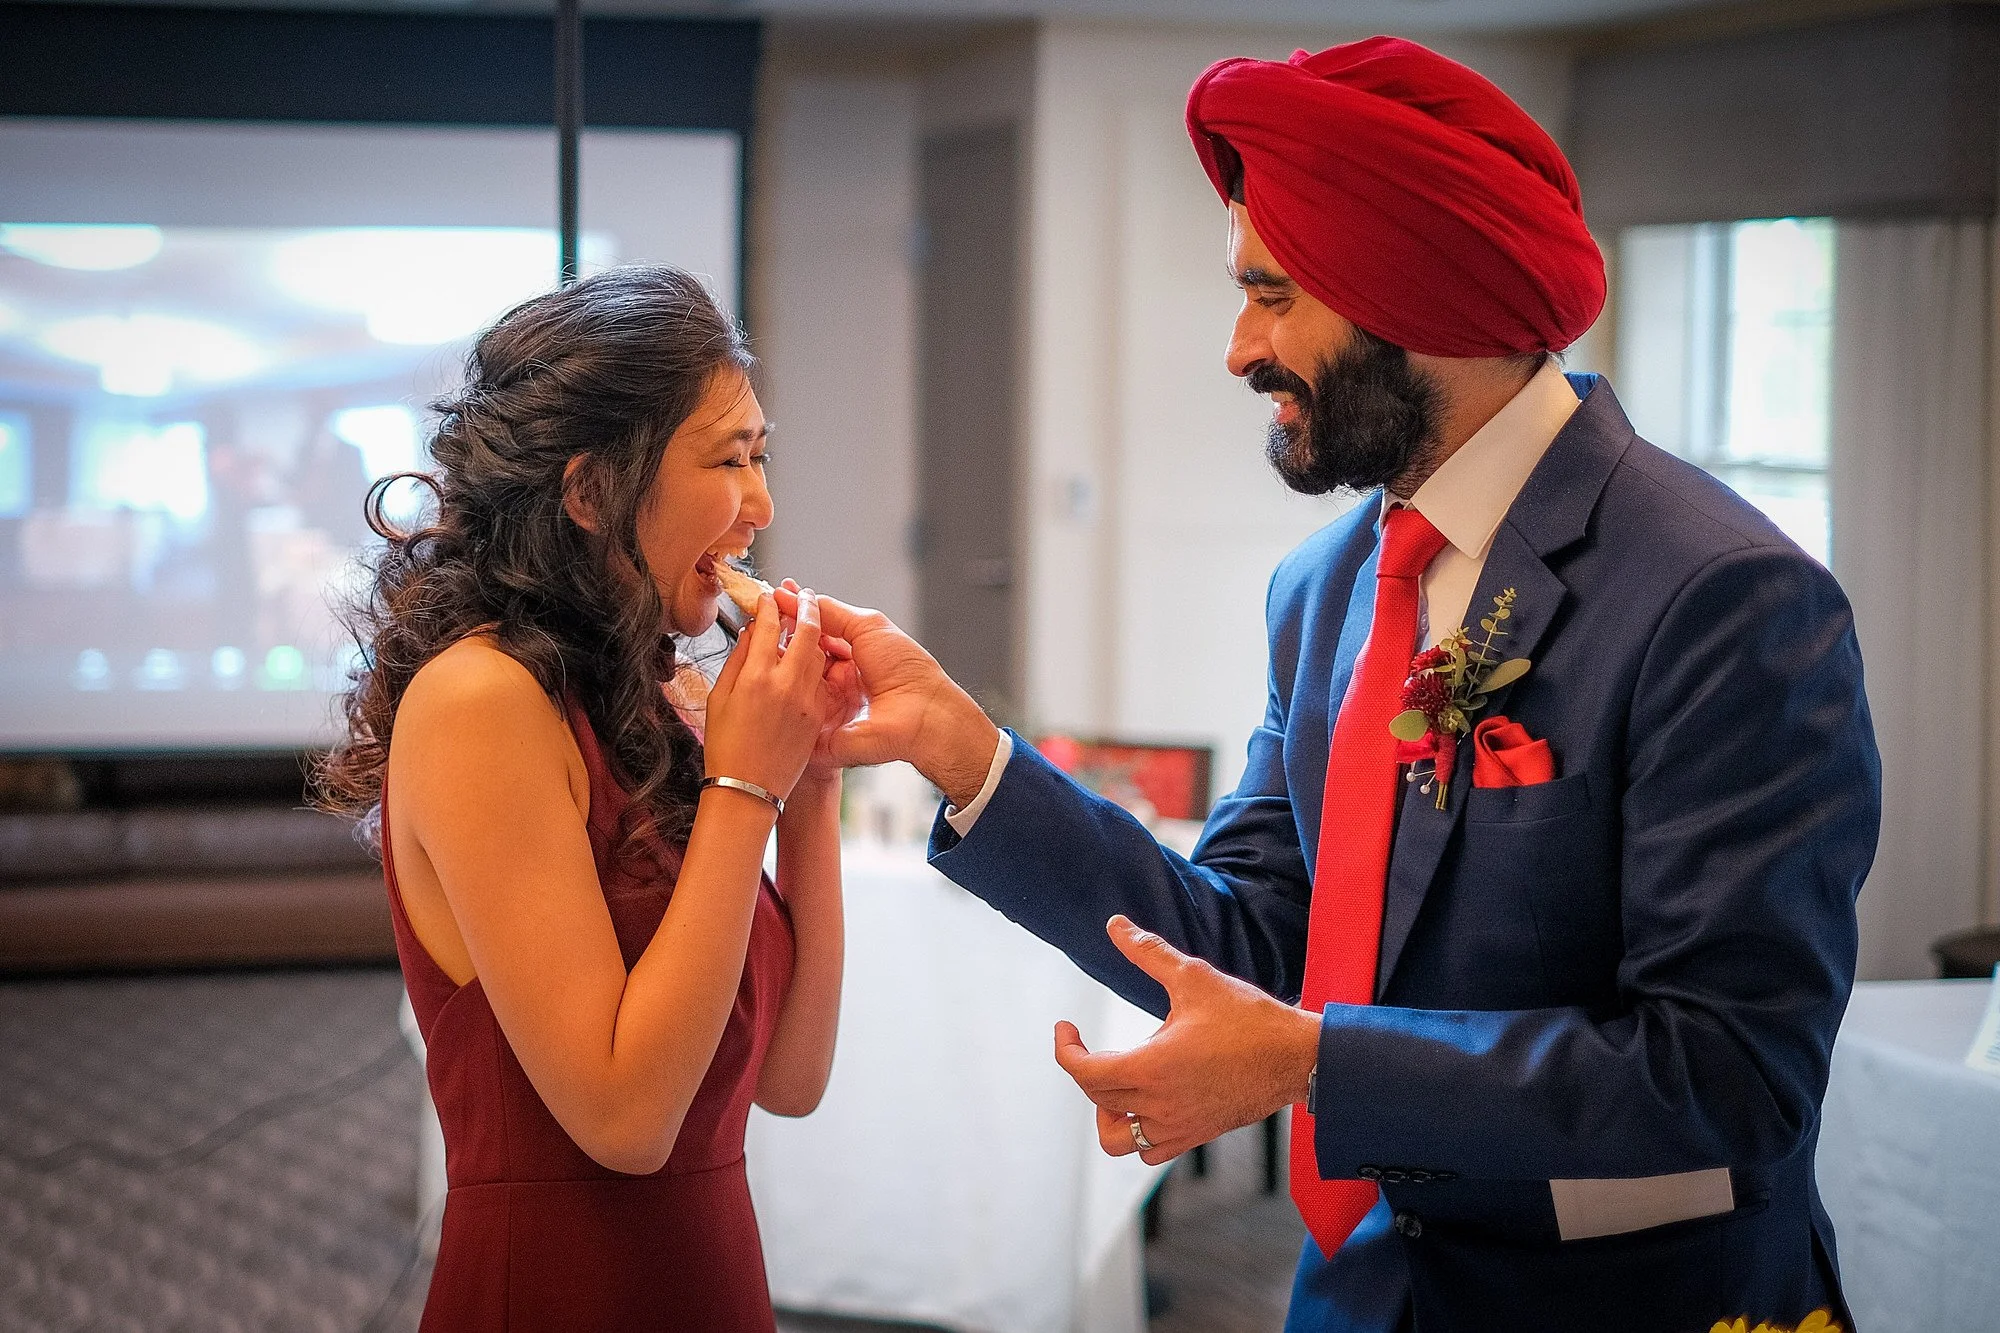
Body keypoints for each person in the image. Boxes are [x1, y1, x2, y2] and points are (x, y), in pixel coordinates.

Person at [802, 37, 1880, 1333]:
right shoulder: (1323, 590)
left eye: (1272, 295)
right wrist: (972, 757)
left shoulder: (1721, 596)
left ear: (1410, 298)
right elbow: (1255, 943)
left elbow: (1730, 1070)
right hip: (1362, 1293)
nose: (1239, 347)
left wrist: (1317, 1064)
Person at [316, 267, 856, 1332]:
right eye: (729, 459)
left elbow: (789, 1078)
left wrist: (814, 781)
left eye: (762, 456)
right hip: (563, 1289)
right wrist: (745, 786)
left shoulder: (646, 694)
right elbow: (625, 1117)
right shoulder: (481, 700)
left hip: (708, 1274)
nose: (762, 507)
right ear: (591, 489)